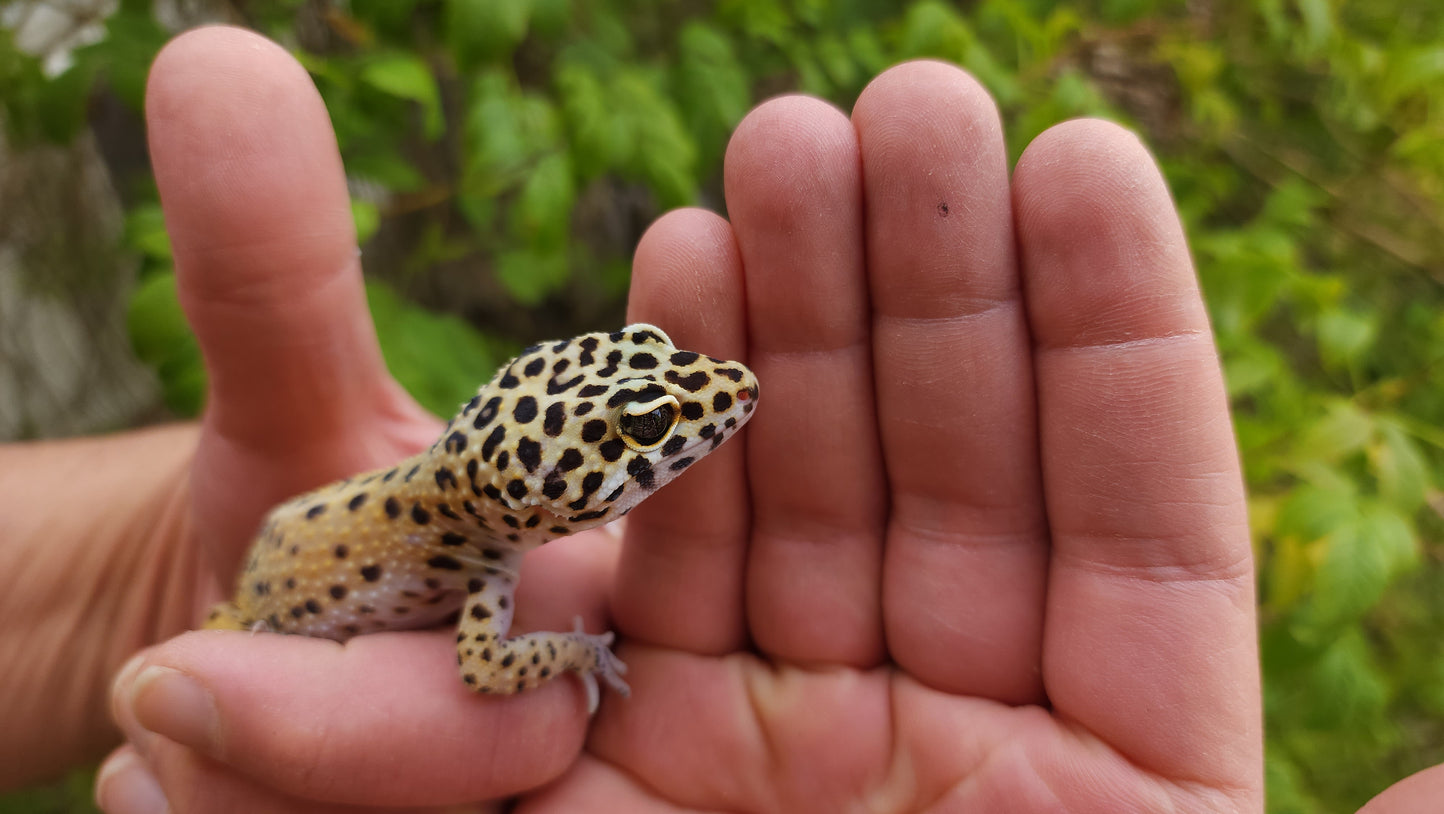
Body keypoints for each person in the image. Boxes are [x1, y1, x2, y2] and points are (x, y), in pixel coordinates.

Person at [0, 23, 1300, 813]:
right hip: (268, 599)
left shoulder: (475, 526)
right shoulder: (473, 560)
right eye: (630, 437)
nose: (705, 402)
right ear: (530, 496)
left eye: (637, 392)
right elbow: (480, 666)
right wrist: (567, 653)